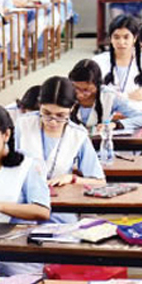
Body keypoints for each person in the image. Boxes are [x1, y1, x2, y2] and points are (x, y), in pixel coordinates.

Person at [15, 77, 105, 207]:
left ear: (72, 108)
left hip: (60, 205)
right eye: (46, 113)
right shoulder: (23, 124)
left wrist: (72, 178)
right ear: (39, 105)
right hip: (23, 202)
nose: (52, 122)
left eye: (60, 116)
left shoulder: (77, 134)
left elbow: (99, 181)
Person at [93, 15, 142, 102]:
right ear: (110, 39)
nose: (121, 42)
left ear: (135, 38)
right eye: (116, 37)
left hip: (138, 109)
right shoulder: (98, 62)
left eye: (126, 37)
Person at [69, 59, 142, 133]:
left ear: (98, 85)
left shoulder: (109, 96)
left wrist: (115, 124)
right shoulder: (65, 91)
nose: (80, 94)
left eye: (86, 90)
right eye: (76, 88)